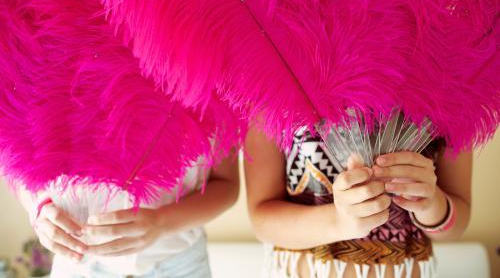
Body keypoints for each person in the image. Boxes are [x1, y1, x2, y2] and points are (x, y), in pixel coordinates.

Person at [244, 119, 471, 278]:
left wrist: (430, 204)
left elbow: (457, 224)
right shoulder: (280, 70)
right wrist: (340, 222)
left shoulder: (447, 75)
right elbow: (262, 218)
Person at [18, 153, 239, 278]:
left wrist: (161, 222)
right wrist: (38, 206)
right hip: (80, 264)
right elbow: (15, 157)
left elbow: (226, 184)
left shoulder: (215, 79)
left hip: (179, 264)